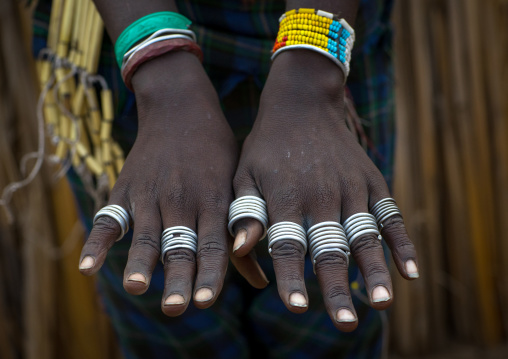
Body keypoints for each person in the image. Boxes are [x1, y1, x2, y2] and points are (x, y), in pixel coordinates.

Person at [33, 0, 419, 357]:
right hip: (124, 53)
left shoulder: (320, 78)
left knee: (326, 301)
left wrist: (311, 81)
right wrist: (162, 76)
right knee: (172, 321)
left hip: (327, 56)